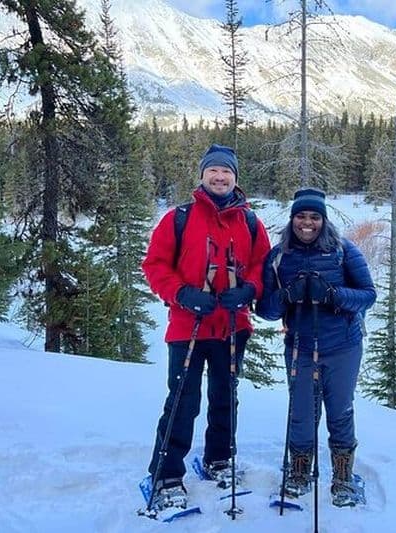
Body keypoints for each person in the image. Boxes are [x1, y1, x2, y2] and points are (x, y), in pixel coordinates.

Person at [141, 144, 271, 515]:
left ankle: (218, 459)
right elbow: (155, 265)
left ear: (235, 178)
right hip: (188, 325)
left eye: (226, 172)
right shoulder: (178, 218)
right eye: (213, 171)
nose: (219, 177)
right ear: (202, 176)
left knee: (225, 397)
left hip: (232, 326)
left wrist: (250, 289)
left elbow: (264, 263)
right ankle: (165, 474)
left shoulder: (249, 222)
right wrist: (182, 293)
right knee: (183, 400)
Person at [256, 187, 376, 507]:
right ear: (292, 218)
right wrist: (286, 296)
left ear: (323, 220)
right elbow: (265, 310)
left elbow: (368, 295)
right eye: (301, 216)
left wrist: (334, 296)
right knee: (301, 412)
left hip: (343, 346)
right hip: (301, 347)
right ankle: (298, 472)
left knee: (340, 411)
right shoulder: (278, 255)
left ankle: (342, 476)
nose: (307, 223)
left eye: (314, 217)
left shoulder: (343, 250)